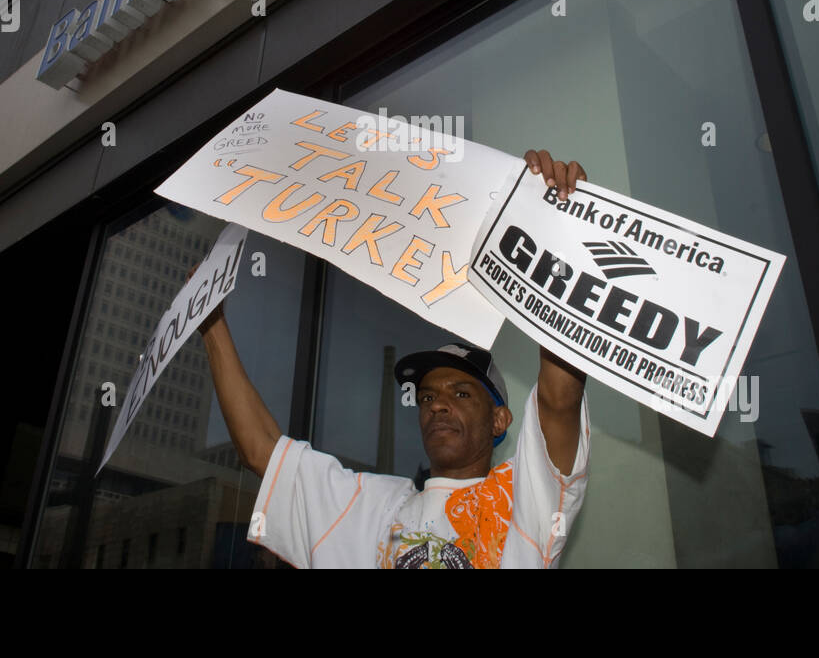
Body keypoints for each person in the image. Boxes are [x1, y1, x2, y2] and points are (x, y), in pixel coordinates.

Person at [193, 148, 590, 568]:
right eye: (426, 397)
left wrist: (561, 231)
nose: (437, 404)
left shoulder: (523, 499)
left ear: (499, 419)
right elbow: (261, 450)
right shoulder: (370, 509)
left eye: (461, 394)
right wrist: (212, 325)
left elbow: (559, 399)